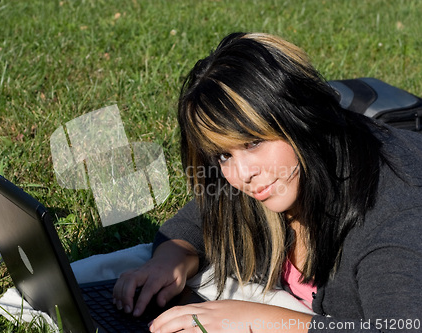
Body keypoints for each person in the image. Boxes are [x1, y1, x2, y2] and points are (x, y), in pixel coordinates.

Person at [112, 32, 422, 332]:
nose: (242, 174)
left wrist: (259, 321)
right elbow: (197, 223)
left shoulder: (393, 215)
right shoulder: (270, 175)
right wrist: (169, 261)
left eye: (252, 143)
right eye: (223, 155)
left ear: (298, 119)